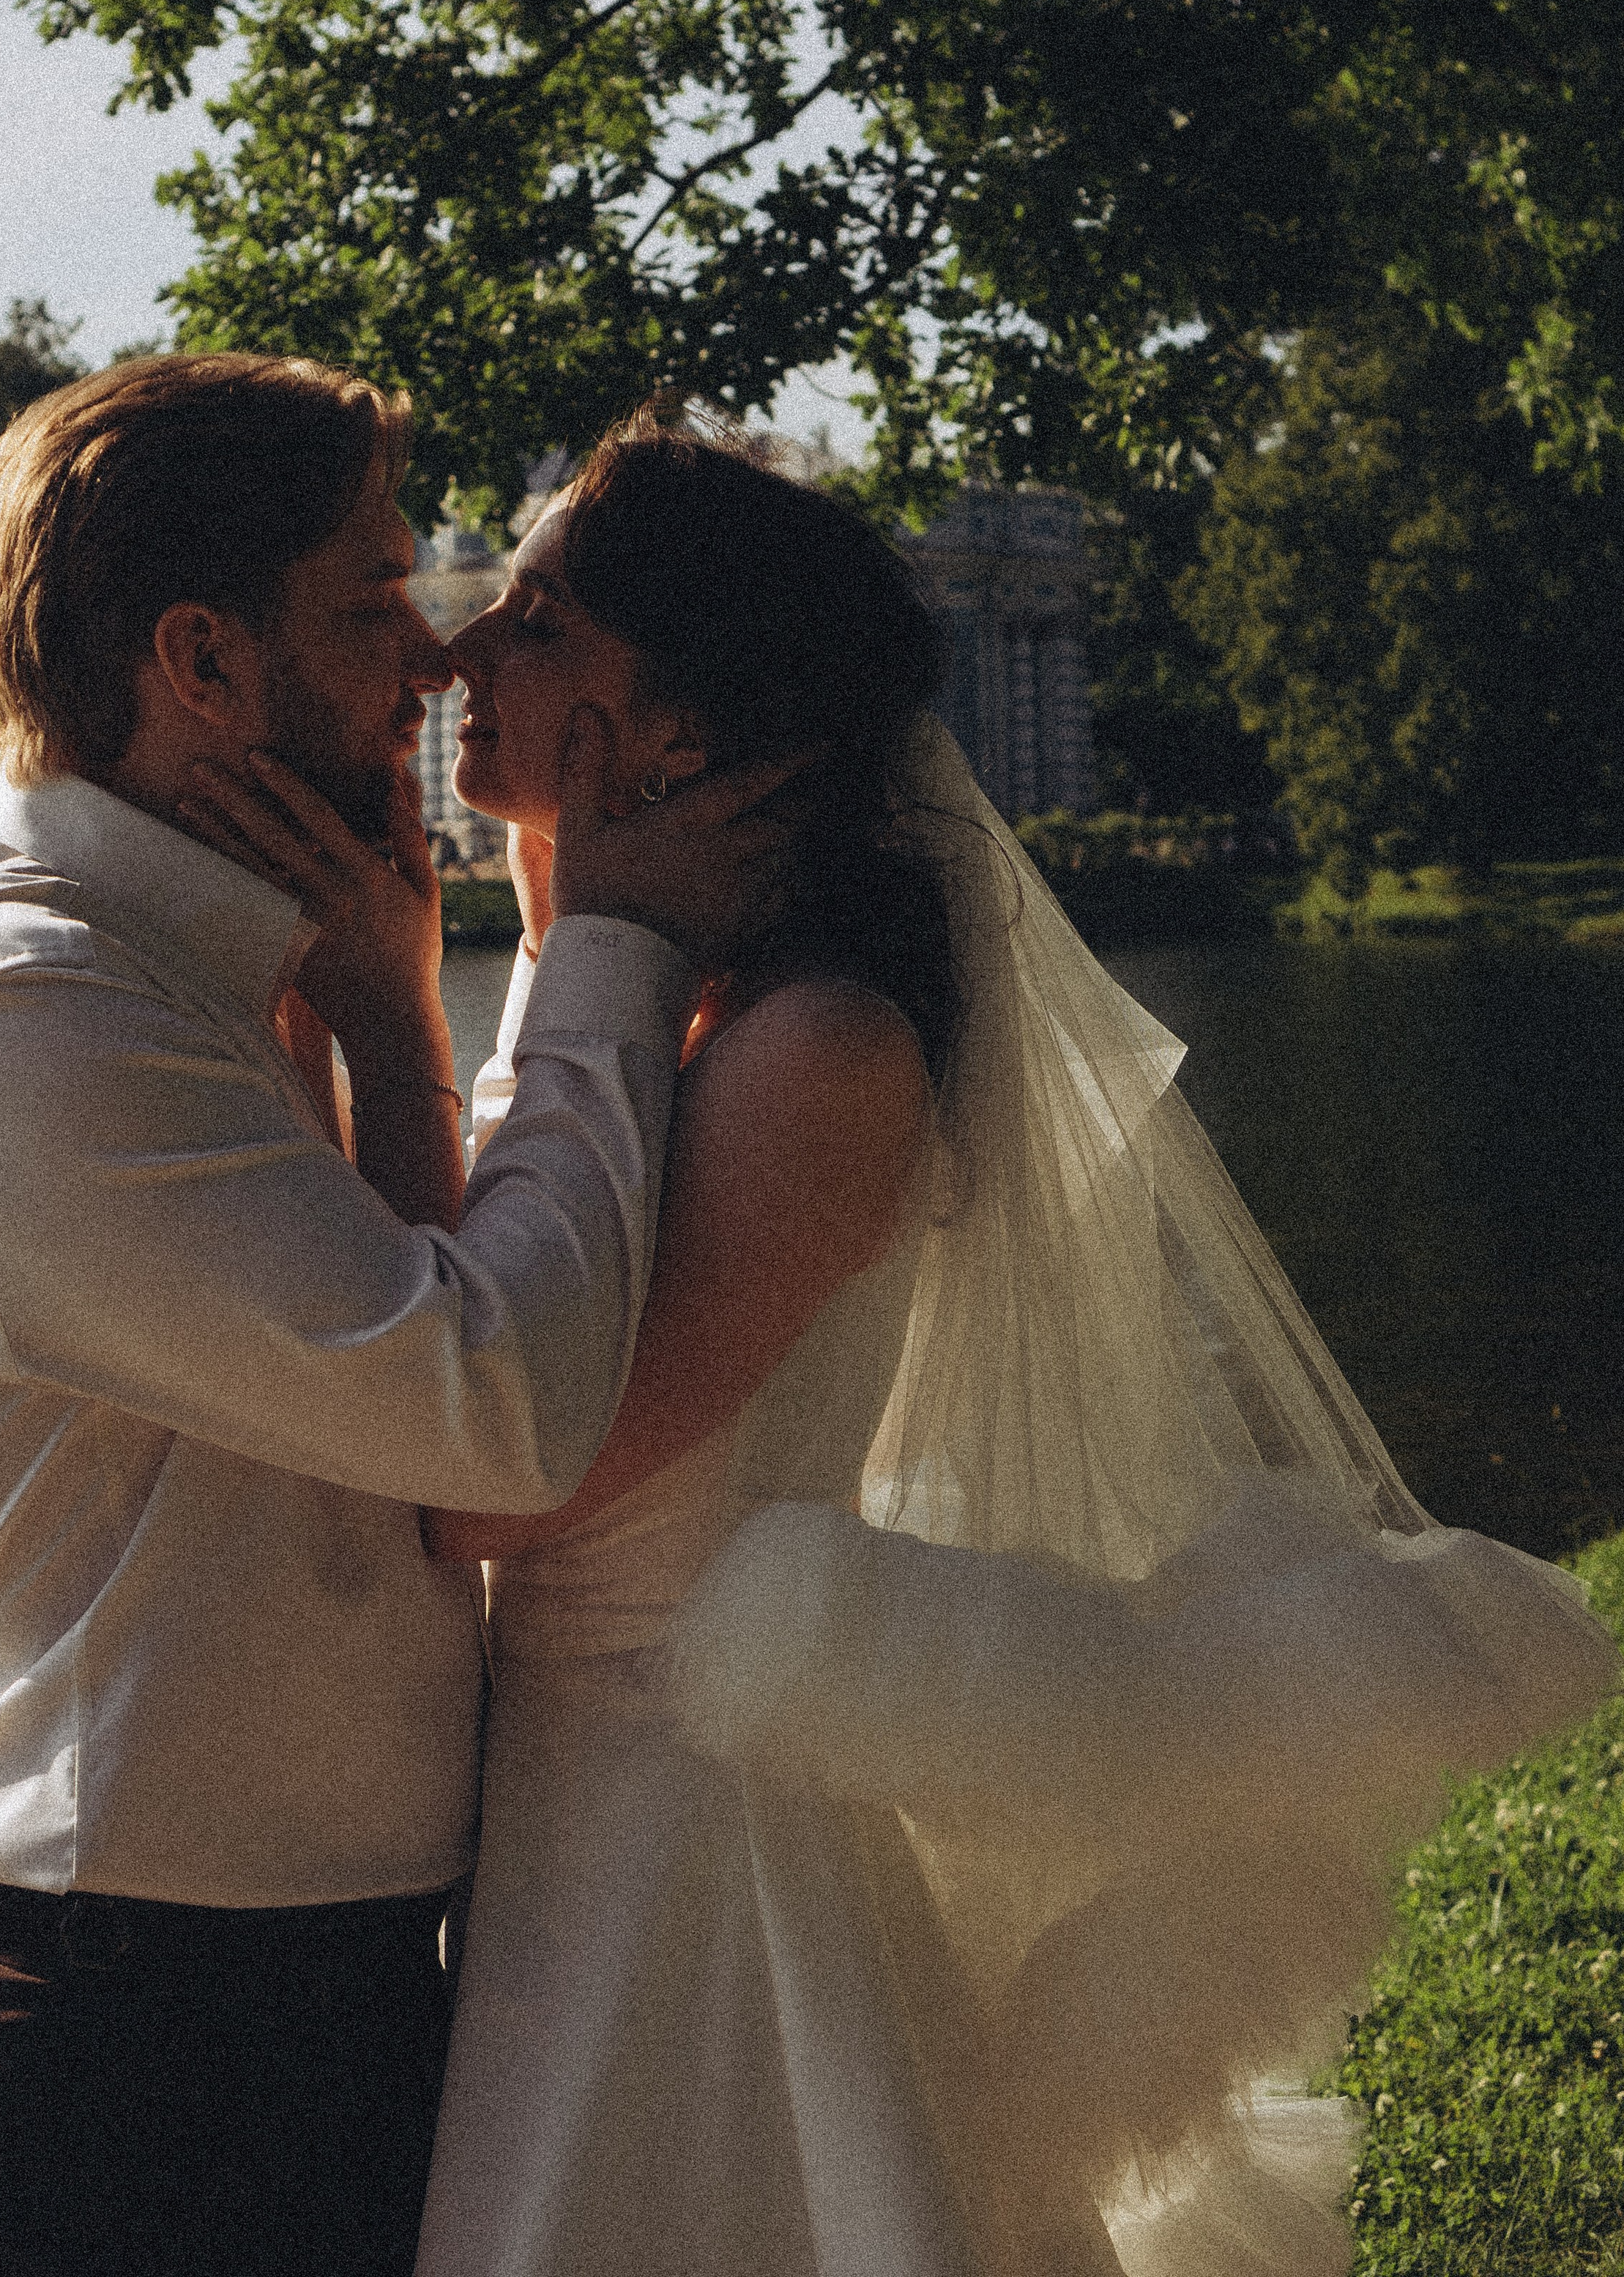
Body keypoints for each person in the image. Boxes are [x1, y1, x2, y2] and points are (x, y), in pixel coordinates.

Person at [193, 412, 1617, 2277]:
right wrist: (451, 990)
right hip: (569, 1801)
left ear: (687, 726)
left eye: (537, 624)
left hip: (689, 1836)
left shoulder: (812, 1051)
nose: (459, 653)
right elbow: (467, 1325)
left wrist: (426, 1027)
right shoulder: (637, 993)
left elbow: (495, 1490)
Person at [0, 353, 792, 2277]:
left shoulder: (225, 963)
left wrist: (390, 1023)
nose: (437, 665)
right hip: (116, 2086)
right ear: (203, 661)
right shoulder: (34, 1013)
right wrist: (600, 933)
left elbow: (421, 1399)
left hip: (304, 2025)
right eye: (372, 604)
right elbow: (495, 1408)